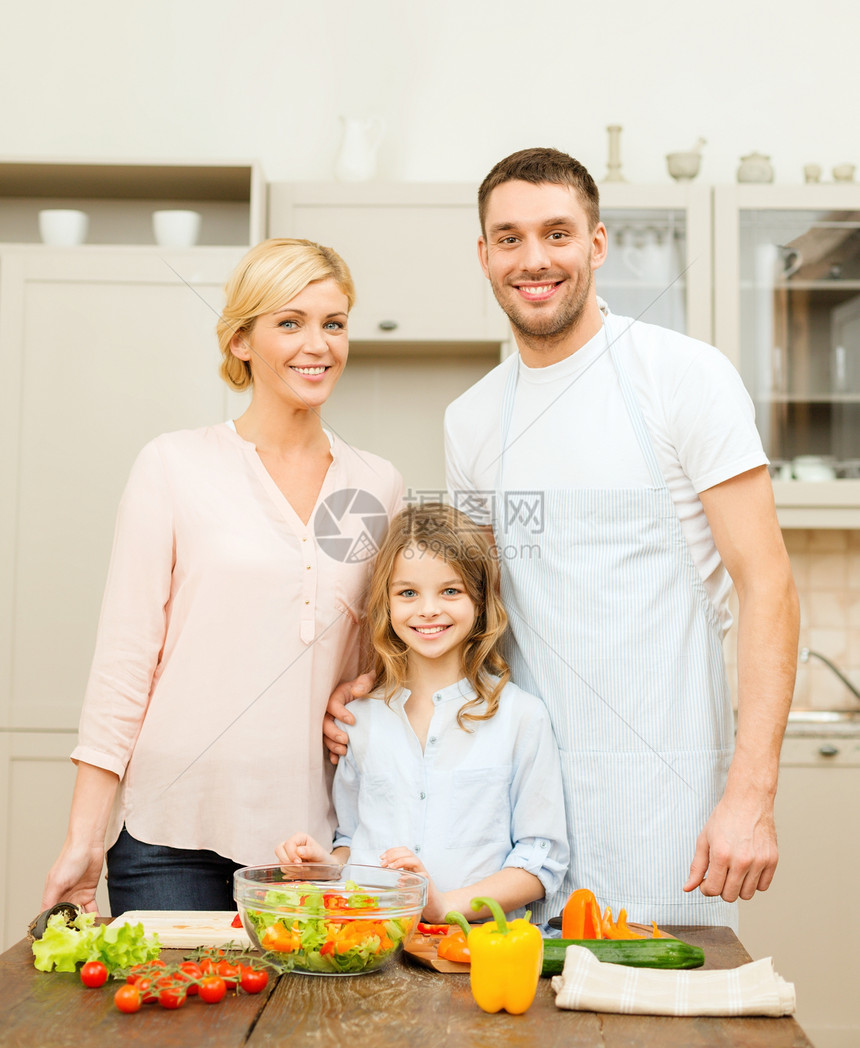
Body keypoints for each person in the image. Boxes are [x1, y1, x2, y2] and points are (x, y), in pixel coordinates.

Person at [326, 148, 799, 931]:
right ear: (483, 256)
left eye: (557, 233)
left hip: (663, 803)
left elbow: (768, 586)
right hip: (507, 815)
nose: (534, 258)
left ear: (598, 243)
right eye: (508, 238)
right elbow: (470, 604)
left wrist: (749, 794)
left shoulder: (682, 377)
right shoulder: (473, 419)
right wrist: (380, 683)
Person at [41, 238, 403, 915]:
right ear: (241, 340)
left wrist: (366, 687)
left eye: (333, 323)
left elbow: (389, 648)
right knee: (174, 1024)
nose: (317, 344)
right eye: (289, 323)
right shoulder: (173, 465)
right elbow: (125, 661)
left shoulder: (378, 484)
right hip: (168, 834)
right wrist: (85, 837)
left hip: (310, 845)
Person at [277, 502, 568, 922]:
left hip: (475, 951)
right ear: (387, 602)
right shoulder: (358, 720)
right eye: (408, 592)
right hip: (374, 942)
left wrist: (442, 906)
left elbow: (541, 861)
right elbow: (354, 838)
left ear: (481, 601)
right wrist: (325, 866)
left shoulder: (521, 717)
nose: (428, 609)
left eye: (450, 591)